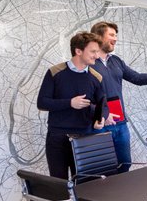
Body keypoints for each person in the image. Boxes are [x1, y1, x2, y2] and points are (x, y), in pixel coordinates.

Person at [90, 21, 147, 172]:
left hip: (120, 122)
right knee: (102, 168)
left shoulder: (116, 61)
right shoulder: (88, 63)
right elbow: (83, 97)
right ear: (98, 37)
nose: (115, 38)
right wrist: (101, 113)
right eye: (111, 35)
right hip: (100, 123)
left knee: (125, 164)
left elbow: (137, 78)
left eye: (116, 35)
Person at [37, 32, 106, 180]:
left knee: (84, 184)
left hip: (85, 136)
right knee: (59, 183)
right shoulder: (55, 72)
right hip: (58, 137)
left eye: (97, 51)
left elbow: (103, 105)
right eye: (93, 51)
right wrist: (70, 103)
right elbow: (42, 103)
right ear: (78, 51)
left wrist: (101, 118)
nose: (97, 55)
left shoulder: (97, 77)